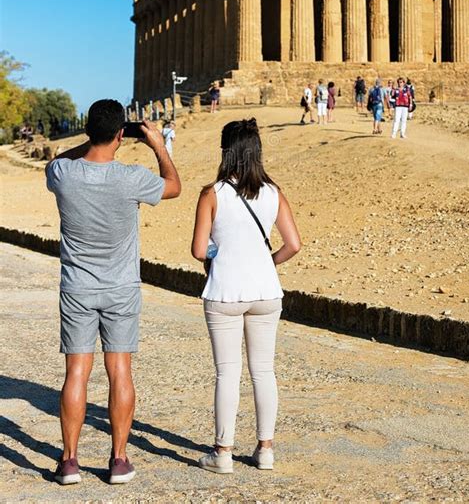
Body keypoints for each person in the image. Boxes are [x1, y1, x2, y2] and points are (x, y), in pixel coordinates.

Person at [45, 99, 181, 486]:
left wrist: (90, 143)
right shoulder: (130, 177)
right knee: (120, 370)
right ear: (123, 134)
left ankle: (69, 460)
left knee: (76, 372)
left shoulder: (64, 175)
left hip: (77, 287)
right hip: (121, 287)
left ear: (88, 130)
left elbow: (55, 161)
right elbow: (173, 187)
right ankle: (118, 459)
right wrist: (157, 145)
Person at [191, 119, 300, 474]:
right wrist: (268, 261)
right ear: (257, 152)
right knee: (264, 371)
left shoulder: (212, 194)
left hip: (225, 291)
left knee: (227, 373)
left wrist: (218, 252)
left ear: (226, 152)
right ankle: (265, 449)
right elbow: (293, 245)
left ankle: (223, 454)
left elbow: (197, 250)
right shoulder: (274, 192)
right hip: (266, 290)